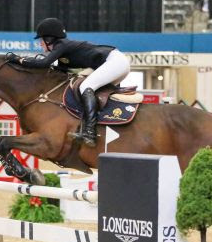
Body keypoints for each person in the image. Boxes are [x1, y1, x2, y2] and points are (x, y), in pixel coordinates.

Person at [10, 18, 130, 147]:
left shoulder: (61, 45)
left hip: (115, 62)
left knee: (85, 86)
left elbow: (44, 63)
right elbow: (58, 70)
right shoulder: (63, 50)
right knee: (87, 85)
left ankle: (89, 132)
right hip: (114, 63)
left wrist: (18, 59)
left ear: (49, 39)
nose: (40, 44)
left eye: (41, 40)